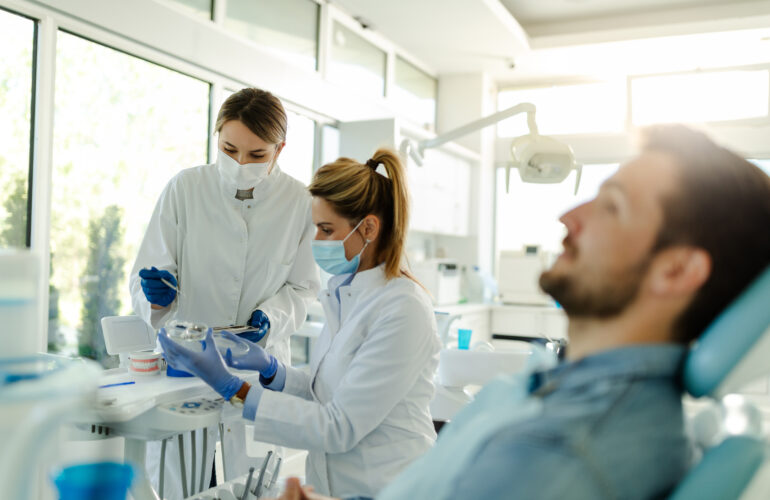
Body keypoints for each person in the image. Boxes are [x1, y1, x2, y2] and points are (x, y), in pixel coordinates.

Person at [270, 125, 770, 500]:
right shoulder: (574, 394)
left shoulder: (561, 450)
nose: (568, 217)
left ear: (678, 270)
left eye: (611, 206)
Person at [158, 149, 442, 499]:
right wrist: (273, 371)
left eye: (326, 229)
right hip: (336, 487)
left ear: (368, 227)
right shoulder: (348, 295)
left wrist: (233, 388)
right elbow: (327, 393)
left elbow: (339, 426)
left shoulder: (403, 309)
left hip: (388, 486)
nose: (317, 242)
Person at [129, 88, 320, 498]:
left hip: (258, 373)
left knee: (255, 486)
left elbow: (303, 288)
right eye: (229, 149)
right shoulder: (185, 188)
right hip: (185, 371)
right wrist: (156, 296)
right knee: (177, 486)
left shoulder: (300, 204)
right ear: (216, 137)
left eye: (256, 155)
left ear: (280, 149)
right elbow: (148, 274)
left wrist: (273, 317)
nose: (239, 164)